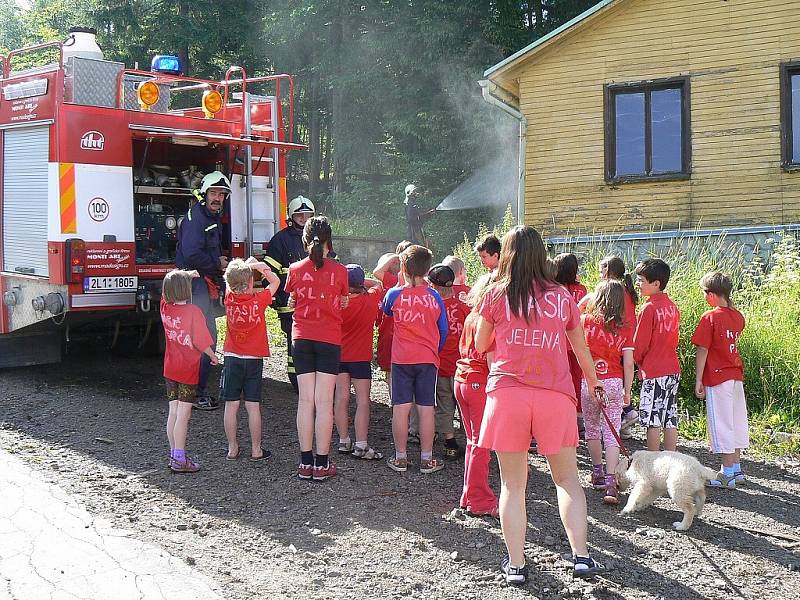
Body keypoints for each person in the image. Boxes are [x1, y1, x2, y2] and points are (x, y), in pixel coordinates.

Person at [474, 225, 606, 584]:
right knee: (567, 480)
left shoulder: (496, 294)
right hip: (555, 396)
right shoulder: (563, 296)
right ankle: (581, 558)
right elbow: (581, 348)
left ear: (508, 255)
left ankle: (516, 566)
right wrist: (595, 384)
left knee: (512, 486)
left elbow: (481, 343)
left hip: (507, 395)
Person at [285, 216, 349, 481]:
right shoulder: (340, 271)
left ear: (305, 239)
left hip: (302, 338)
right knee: (324, 403)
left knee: (305, 401)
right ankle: (322, 464)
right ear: (329, 242)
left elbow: (291, 299)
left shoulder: (295, 269)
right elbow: (343, 301)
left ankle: (304, 462)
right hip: (329, 340)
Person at [382, 245, 448, 474]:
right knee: (426, 408)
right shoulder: (435, 297)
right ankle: (427, 459)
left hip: (401, 360)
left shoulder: (395, 294)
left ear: (403, 267)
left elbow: (386, 311)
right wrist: (434, 350)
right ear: (428, 270)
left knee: (401, 409)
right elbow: (444, 330)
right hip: (427, 359)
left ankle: (400, 457)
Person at [175, 170, 231, 411]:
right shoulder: (196, 218)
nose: (218, 198)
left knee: (199, 337)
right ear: (204, 194)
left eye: (222, 194)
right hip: (193, 284)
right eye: (214, 193)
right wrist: (216, 264)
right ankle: (194, 393)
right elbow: (191, 254)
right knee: (203, 337)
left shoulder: (210, 215)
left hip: (199, 282)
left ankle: (190, 391)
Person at [691, 271, 748, 488]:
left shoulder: (710, 317)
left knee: (722, 423)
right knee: (736, 421)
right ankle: (736, 468)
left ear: (712, 295)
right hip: (735, 375)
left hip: (717, 377)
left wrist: (698, 379)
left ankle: (726, 474)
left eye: (705, 293)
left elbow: (702, 349)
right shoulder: (737, 315)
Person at [220, 258, 280, 461]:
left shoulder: (228, 298)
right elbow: (275, 283)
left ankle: (232, 448)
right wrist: (257, 267)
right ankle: (256, 450)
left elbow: (230, 277)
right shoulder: (259, 300)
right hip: (253, 357)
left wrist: (244, 267)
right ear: (249, 283)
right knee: (253, 406)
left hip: (232, 357)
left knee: (231, 404)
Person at [580, 280, 634, 505]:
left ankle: (597, 472)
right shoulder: (626, 327)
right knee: (612, 432)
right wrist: (627, 391)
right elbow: (629, 363)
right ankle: (612, 481)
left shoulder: (586, 322)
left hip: (590, 382)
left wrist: (583, 303)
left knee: (591, 428)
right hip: (614, 382)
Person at [160, 269, 218, 473]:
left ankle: (173, 453)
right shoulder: (193, 312)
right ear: (187, 290)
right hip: (187, 370)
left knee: (173, 412)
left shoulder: (165, 308)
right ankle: (180, 458)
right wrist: (212, 356)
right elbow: (200, 341)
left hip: (170, 368)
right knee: (184, 414)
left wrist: (183, 275)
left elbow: (165, 291)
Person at [454, 273, 498, 517]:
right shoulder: (488, 320)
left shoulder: (472, 315)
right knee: (482, 444)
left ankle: (469, 494)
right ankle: (480, 500)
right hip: (478, 382)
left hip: (462, 379)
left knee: (473, 442)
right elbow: (492, 361)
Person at [582, 256, 639, 436]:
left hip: (613, 339)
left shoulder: (610, 292)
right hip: (624, 341)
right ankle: (623, 419)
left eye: (601, 271)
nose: (599, 275)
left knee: (609, 379)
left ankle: (624, 414)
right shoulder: (627, 291)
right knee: (618, 381)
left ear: (608, 271)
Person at [265, 195, 317, 392]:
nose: (303, 218)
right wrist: (276, 297)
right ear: (291, 217)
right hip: (289, 303)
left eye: (307, 215)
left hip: (314, 304)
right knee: (294, 341)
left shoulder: (317, 239)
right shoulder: (280, 240)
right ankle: (296, 378)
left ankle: (311, 376)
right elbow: (268, 272)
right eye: (299, 215)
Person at [334, 264, 384, 460]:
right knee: (363, 401)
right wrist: (363, 282)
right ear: (361, 283)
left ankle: (343, 440)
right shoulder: (370, 299)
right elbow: (378, 283)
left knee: (341, 398)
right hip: (361, 357)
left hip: (338, 356)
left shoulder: (336, 302)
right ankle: (361, 444)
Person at [633, 258, 681, 452]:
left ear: (656, 284)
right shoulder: (672, 306)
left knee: (652, 419)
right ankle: (670, 459)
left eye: (642, 280)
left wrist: (636, 364)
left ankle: (653, 462)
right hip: (672, 368)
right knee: (670, 417)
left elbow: (639, 344)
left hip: (654, 370)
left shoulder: (649, 308)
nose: (638, 284)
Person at [426, 264, 469, 460]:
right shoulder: (462, 307)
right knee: (465, 406)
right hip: (461, 366)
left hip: (441, 365)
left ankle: (450, 443)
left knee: (444, 404)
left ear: (432, 286)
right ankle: (471, 442)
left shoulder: (432, 306)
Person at [554, 253, 589, 427]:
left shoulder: (555, 289)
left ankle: (564, 413)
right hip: (577, 340)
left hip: (559, 341)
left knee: (561, 377)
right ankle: (580, 416)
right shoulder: (582, 289)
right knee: (578, 378)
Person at [373, 243, 410, 402]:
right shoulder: (393, 280)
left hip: (398, 334)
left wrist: (398, 257)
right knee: (391, 372)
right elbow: (377, 272)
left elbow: (377, 272)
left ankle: (399, 409)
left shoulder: (396, 281)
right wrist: (396, 256)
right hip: (389, 333)